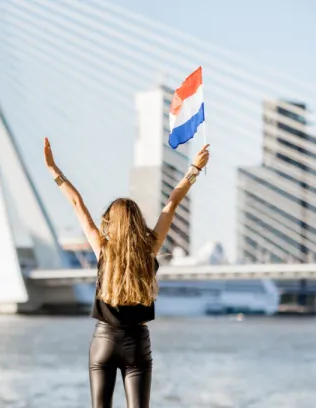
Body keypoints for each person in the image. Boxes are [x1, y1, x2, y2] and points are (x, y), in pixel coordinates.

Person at [43, 137, 210, 408]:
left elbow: (77, 203)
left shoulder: (102, 249)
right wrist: (194, 169)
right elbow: (171, 204)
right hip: (137, 343)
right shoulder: (150, 249)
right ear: (137, 222)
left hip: (104, 342)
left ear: (111, 223)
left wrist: (53, 169)